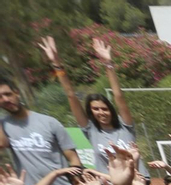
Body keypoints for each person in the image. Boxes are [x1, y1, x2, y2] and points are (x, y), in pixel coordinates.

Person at [40, 36, 139, 176]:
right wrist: (57, 64)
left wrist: (108, 63)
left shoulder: (125, 125)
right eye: (96, 109)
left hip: (138, 183)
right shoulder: (91, 129)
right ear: (91, 112)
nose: (101, 112)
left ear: (111, 109)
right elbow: (71, 95)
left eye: (104, 108)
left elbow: (118, 96)